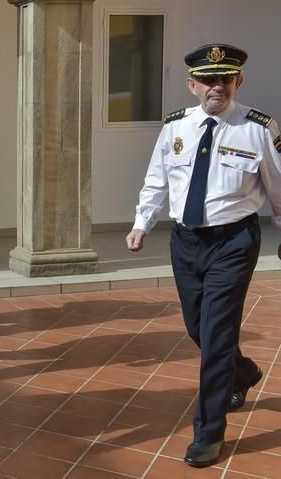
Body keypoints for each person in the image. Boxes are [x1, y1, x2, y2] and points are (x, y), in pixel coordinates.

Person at [126, 43, 281, 468]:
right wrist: (142, 222)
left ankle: (209, 432)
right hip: (186, 242)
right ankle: (243, 372)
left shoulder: (258, 129)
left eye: (225, 79)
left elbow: (278, 190)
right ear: (192, 84)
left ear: (238, 81)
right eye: (208, 80)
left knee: (215, 338)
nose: (217, 87)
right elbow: (156, 179)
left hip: (233, 243)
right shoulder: (175, 127)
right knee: (198, 328)